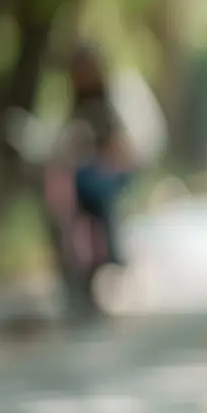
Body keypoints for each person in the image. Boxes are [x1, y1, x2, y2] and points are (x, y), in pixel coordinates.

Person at [65, 42, 134, 268]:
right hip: (83, 168)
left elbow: (121, 144)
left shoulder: (111, 98)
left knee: (97, 188)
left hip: (111, 169)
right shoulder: (76, 104)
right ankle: (83, 257)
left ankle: (110, 250)